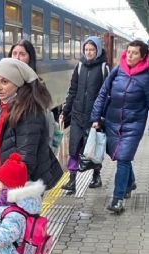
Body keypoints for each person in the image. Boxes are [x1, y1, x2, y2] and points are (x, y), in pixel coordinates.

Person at [0, 58, 63, 254]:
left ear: (17, 83)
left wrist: (7, 188)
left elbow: (25, 156)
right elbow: (10, 131)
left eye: (4, 81)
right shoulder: (14, 105)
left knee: (27, 231)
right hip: (16, 180)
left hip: (23, 183)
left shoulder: (29, 112)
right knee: (24, 228)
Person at [91, 40, 149, 213]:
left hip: (134, 124)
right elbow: (103, 92)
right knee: (117, 155)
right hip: (112, 121)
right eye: (128, 52)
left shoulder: (147, 77)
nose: (129, 55)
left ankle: (118, 200)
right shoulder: (118, 69)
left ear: (143, 56)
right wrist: (95, 117)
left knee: (123, 159)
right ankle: (130, 182)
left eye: (135, 53)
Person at [61, 36, 109, 194]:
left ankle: (96, 176)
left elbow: (107, 95)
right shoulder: (79, 66)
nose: (89, 52)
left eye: (92, 50)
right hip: (77, 114)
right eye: (86, 50)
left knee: (93, 148)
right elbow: (72, 90)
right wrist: (65, 110)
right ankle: (72, 181)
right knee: (74, 148)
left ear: (98, 50)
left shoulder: (103, 68)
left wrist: (100, 117)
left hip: (93, 117)